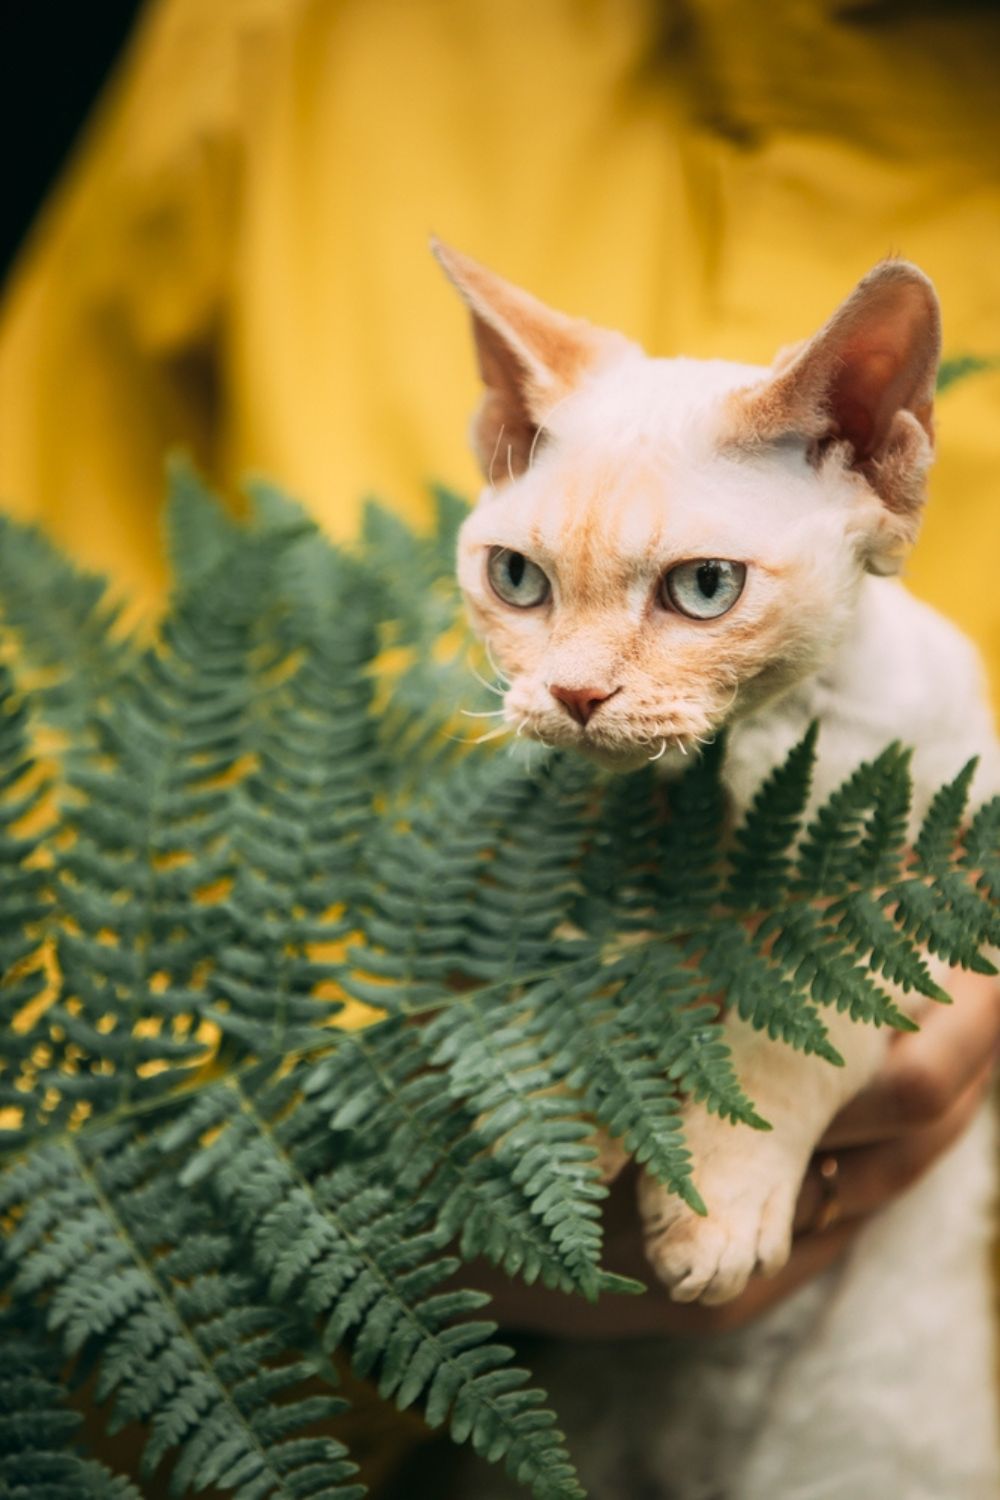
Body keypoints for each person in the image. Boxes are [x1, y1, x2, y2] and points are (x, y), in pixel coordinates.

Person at [1, 0, 997, 1483]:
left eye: (698, 592)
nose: (581, 684)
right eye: (519, 581)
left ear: (876, 448)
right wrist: (381, 1223)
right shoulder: (292, 37)